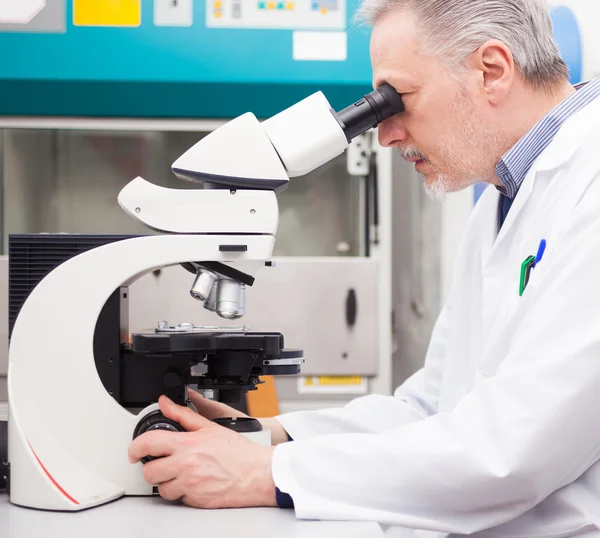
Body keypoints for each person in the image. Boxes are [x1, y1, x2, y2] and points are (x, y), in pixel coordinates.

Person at [128, 0, 600, 535]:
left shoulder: (590, 186)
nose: (387, 134)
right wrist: (266, 434)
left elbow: (508, 453)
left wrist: (265, 474)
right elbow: (432, 407)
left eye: (396, 100)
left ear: (491, 71)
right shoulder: (502, 196)